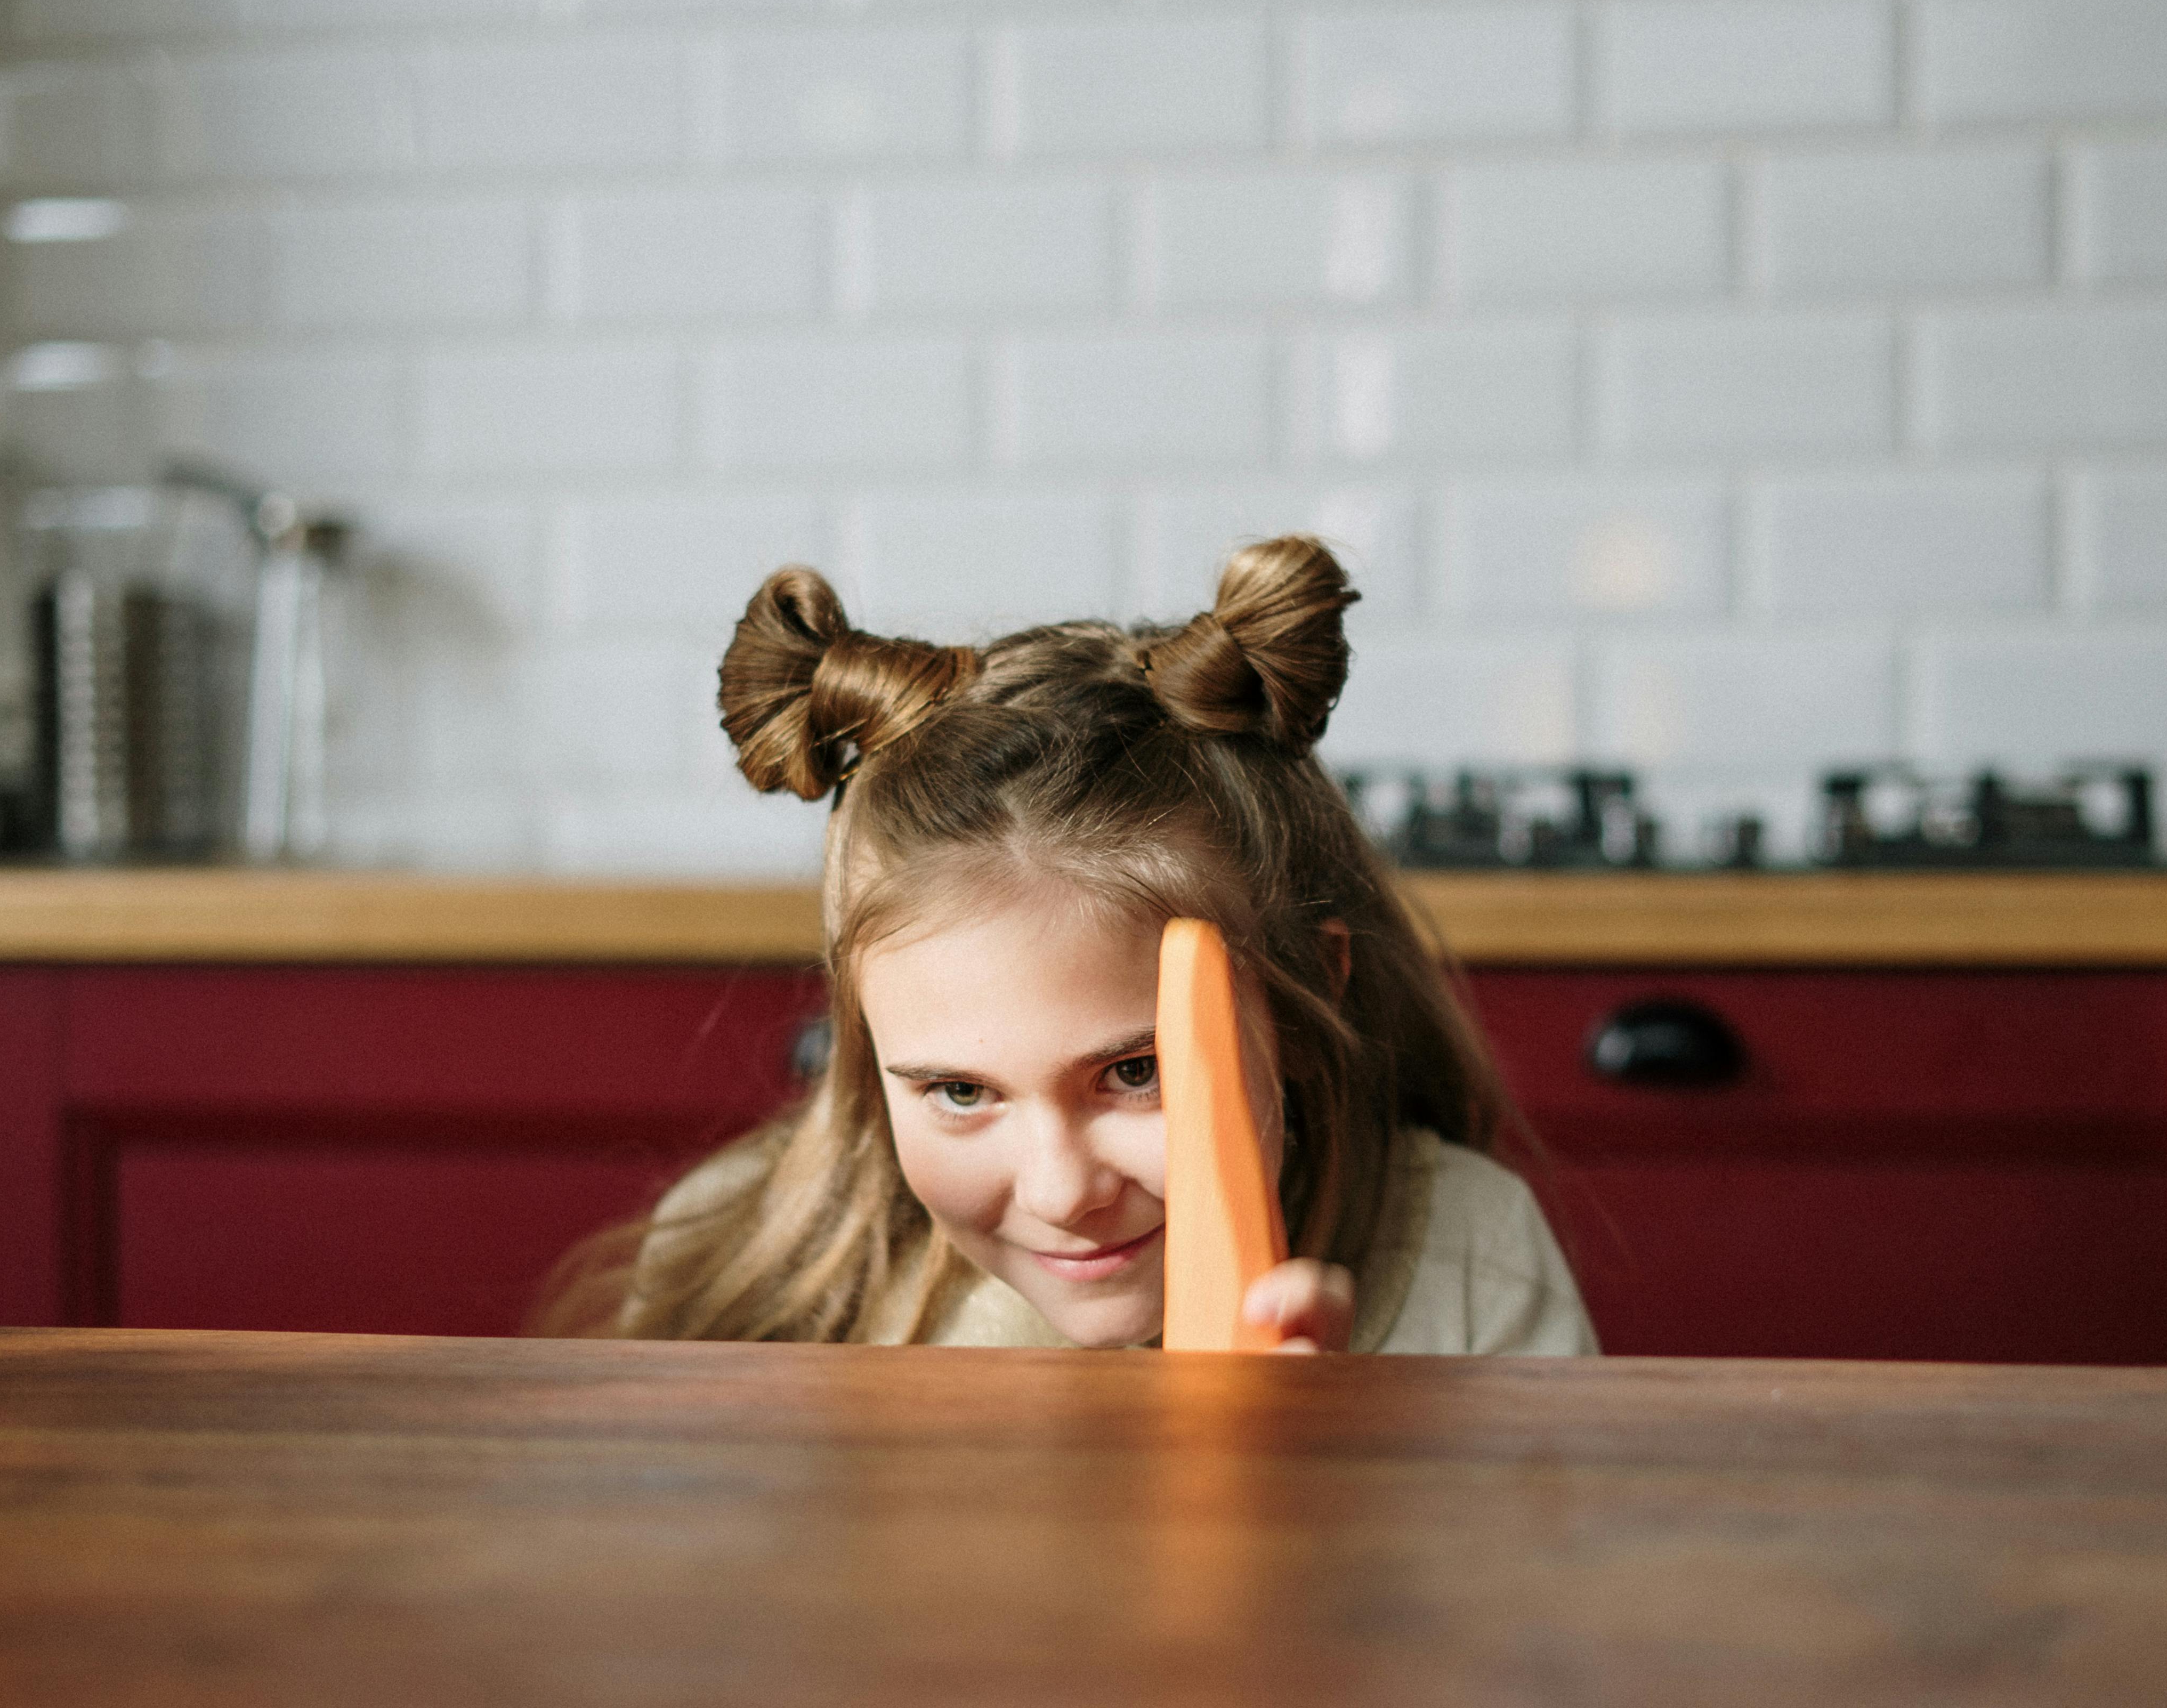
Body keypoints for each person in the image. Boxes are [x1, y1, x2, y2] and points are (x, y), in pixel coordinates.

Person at [532, 535, 1597, 1356]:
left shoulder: (1468, 1265)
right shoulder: (739, 1268)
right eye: (958, 1092)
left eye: (1136, 1073)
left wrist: (1327, 1509)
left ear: (1311, 986)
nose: (1057, 1193)